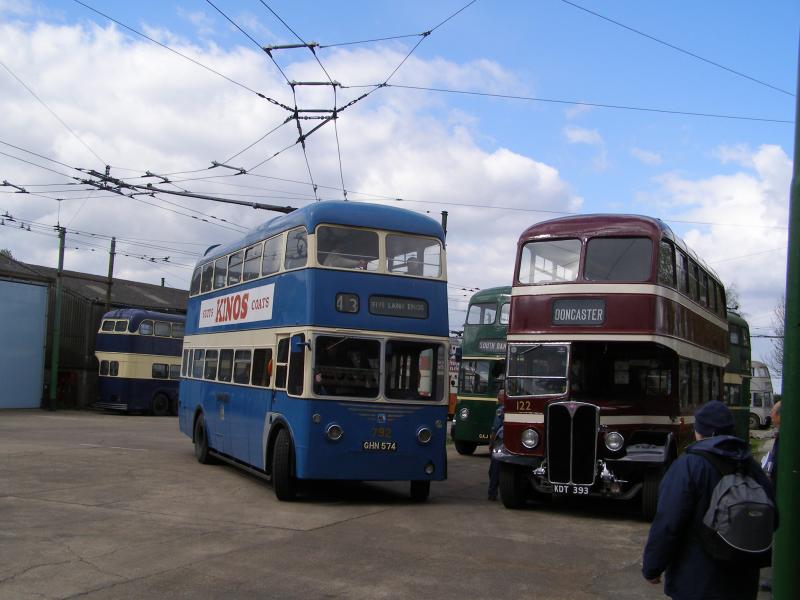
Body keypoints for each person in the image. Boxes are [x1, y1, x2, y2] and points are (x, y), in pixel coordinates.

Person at [642, 400, 775, 600]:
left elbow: (669, 521)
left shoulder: (688, 465)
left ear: (699, 431)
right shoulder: (750, 465)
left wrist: (653, 567)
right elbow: (773, 517)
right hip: (743, 580)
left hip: (696, 580)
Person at [487, 389, 505, 501]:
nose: (497, 398)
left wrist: (491, 443)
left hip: (500, 442)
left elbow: (495, 429)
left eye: (499, 396)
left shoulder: (501, 410)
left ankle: (492, 492)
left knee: (494, 469)